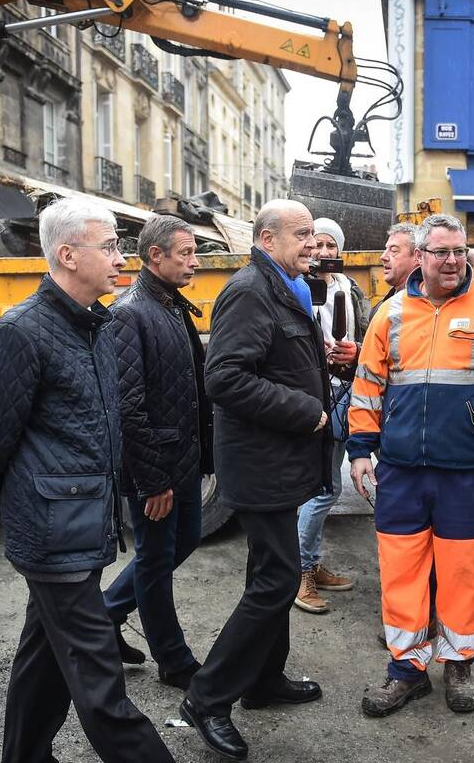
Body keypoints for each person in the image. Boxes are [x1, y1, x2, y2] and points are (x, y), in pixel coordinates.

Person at [0, 198, 174, 763]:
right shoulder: (20, 332)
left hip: (79, 523)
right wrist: (13, 510)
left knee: (43, 655)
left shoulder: (96, 324)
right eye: (110, 246)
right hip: (54, 533)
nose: (121, 258)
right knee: (101, 683)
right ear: (68, 255)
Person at [349, 213, 474, 718]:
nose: (453, 260)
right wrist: (360, 450)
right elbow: (368, 386)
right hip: (400, 472)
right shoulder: (392, 313)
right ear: (420, 257)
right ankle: (406, 670)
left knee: (465, 573)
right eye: (441, 252)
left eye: (459, 251)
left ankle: (458, 664)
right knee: (401, 572)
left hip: (470, 473)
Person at [181, 199, 328, 762]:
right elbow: (224, 377)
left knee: (269, 573)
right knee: (277, 580)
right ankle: (207, 697)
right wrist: (305, 410)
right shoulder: (249, 290)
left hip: (279, 461)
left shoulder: (282, 287)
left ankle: (263, 681)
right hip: (261, 462)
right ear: (267, 239)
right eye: (302, 234)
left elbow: (273, 362)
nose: (312, 244)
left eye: (312, 234)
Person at [100, 215, 211, 691]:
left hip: (181, 459)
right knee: (155, 559)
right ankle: (173, 659)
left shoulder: (170, 304)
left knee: (181, 543)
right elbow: (128, 406)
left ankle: (105, 614)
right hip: (156, 467)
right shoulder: (129, 313)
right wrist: (152, 481)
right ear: (155, 256)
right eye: (186, 253)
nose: (194, 262)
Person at [295, 217, 370, 614]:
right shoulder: (299, 286)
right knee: (323, 488)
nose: (324, 252)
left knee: (325, 484)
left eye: (331, 245)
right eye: (318, 244)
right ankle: (300, 572)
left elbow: (367, 335)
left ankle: (310, 563)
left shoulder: (349, 288)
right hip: (315, 394)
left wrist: (354, 353)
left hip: (345, 391)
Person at [374, 223, 419, 315]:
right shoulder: (381, 308)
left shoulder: (427, 307)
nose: (383, 257)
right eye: (386, 249)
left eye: (394, 250)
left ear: (417, 257)